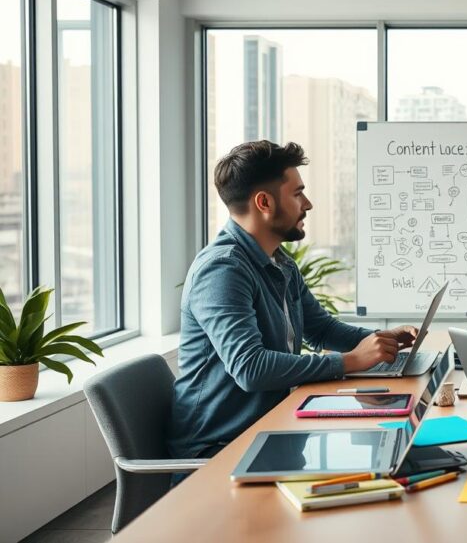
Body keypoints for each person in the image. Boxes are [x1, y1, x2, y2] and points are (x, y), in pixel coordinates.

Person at [168, 140, 416, 461]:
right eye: (297, 193)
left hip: (270, 429)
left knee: (393, 450)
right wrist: (352, 361)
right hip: (222, 451)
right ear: (264, 202)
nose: (308, 204)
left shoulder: (279, 261)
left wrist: (377, 341)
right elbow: (251, 368)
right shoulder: (223, 269)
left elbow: (321, 330)